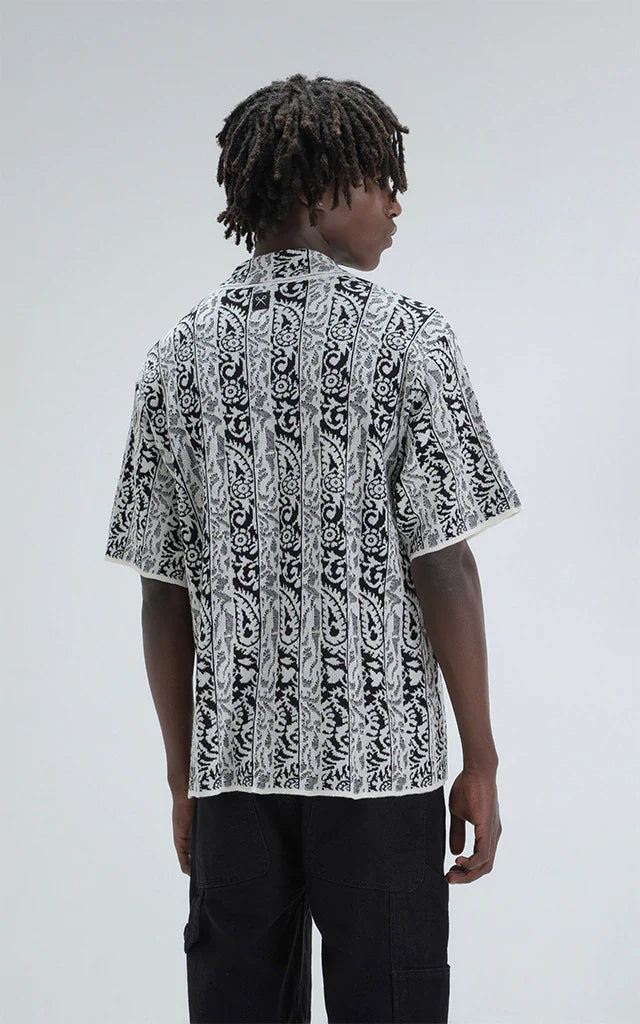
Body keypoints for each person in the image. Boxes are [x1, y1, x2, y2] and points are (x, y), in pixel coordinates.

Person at [104, 73, 523, 1024]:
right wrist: (483, 760)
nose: (396, 204)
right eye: (378, 180)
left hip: (234, 774)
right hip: (380, 762)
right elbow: (445, 563)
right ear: (312, 191)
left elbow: (162, 593)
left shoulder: (175, 357)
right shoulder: (408, 338)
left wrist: (184, 776)